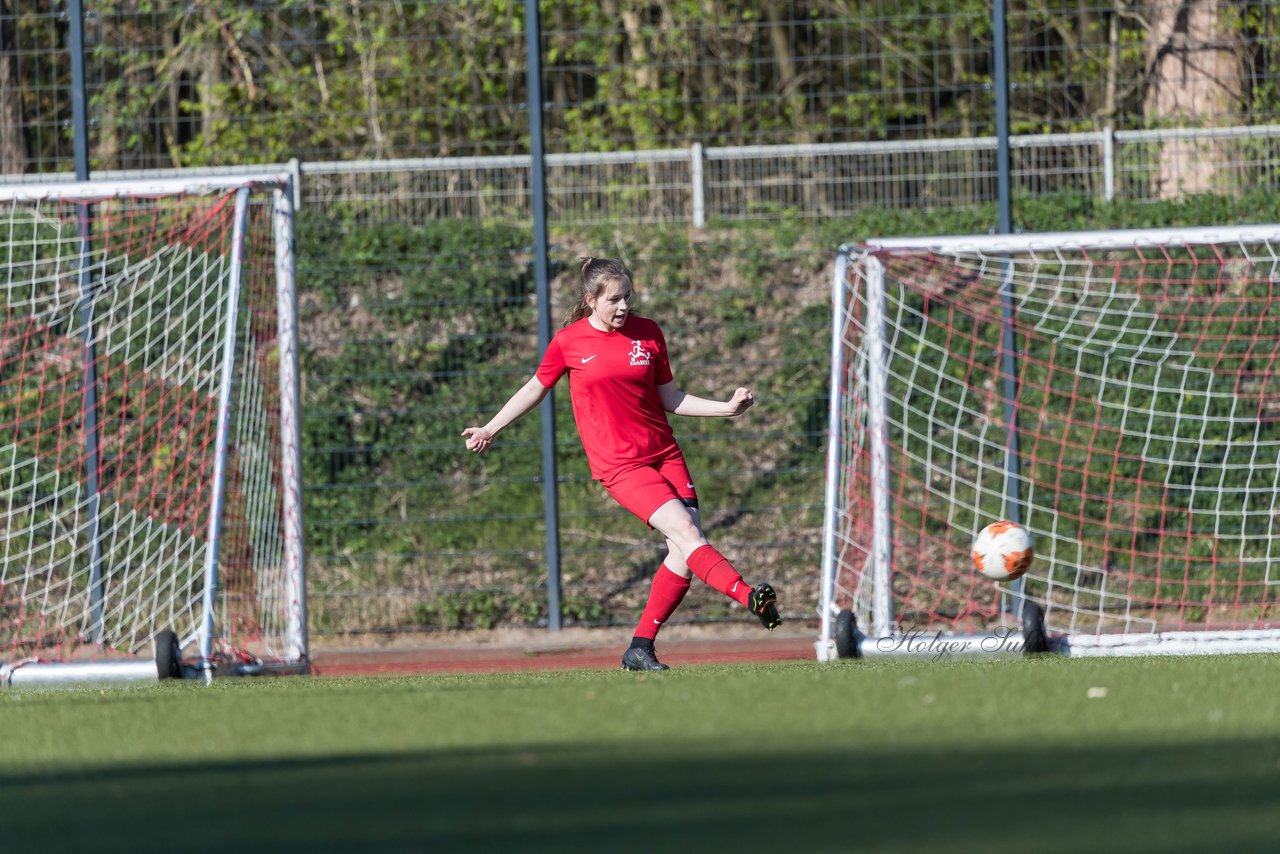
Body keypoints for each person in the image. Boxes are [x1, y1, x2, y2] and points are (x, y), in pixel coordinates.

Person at [461, 257, 781, 671]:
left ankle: (640, 648)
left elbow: (671, 398)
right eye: (613, 299)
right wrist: (490, 427)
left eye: (627, 297)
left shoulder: (648, 333)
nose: (623, 306)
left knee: (684, 552)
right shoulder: (568, 342)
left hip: (665, 454)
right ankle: (750, 596)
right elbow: (535, 388)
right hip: (620, 467)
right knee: (685, 531)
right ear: (590, 300)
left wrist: (728, 409)